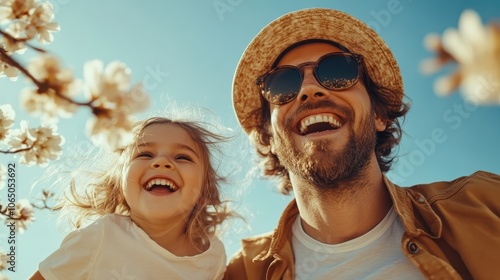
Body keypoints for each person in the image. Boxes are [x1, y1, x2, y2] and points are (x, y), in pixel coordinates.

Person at [224, 8, 500, 280]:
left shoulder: (484, 206)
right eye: (282, 84)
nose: (309, 89)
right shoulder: (244, 272)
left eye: (337, 70)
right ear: (268, 137)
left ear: (379, 115)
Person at [29, 116, 235, 280]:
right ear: (119, 182)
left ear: (205, 188)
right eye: (144, 154)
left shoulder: (213, 257)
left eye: (182, 157)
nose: (162, 162)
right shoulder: (102, 235)